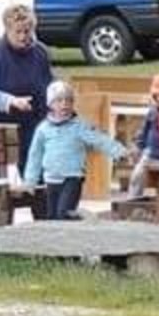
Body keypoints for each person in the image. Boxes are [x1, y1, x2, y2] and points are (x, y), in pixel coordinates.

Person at [24, 81, 130, 221]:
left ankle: (80, 222)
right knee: (51, 217)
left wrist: (119, 151)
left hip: (72, 177)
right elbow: (35, 155)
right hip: (50, 178)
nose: (64, 104)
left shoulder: (79, 126)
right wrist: (30, 181)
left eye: (69, 100)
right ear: (50, 104)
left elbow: (98, 139)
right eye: (59, 101)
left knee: (64, 213)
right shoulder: (43, 129)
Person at [0, 4, 54, 187]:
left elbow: (49, 85)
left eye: (27, 31)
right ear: (7, 30)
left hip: (30, 127)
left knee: (37, 179)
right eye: (18, 32)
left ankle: (43, 214)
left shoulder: (41, 53)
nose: (23, 36)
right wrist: (10, 101)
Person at [127, 72, 159, 200]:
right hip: (151, 155)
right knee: (137, 175)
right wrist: (137, 146)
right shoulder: (153, 113)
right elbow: (143, 133)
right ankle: (133, 199)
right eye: (158, 96)